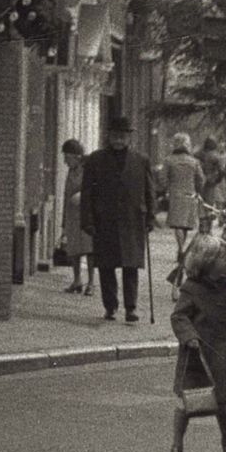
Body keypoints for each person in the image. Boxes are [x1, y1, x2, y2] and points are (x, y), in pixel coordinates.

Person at [167, 232, 226, 452]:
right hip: (197, 356)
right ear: (208, 262)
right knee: (188, 403)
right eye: (224, 257)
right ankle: (177, 446)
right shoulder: (191, 288)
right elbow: (179, 317)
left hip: (222, 354)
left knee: (221, 404)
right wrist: (189, 337)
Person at [80, 113, 156, 324]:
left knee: (131, 267)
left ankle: (131, 308)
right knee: (106, 266)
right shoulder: (95, 159)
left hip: (133, 221)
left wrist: (150, 217)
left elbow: (150, 191)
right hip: (105, 221)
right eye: (115, 135)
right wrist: (87, 221)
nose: (118, 139)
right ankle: (110, 307)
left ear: (129, 137)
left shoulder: (141, 161)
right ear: (108, 136)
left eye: (122, 135)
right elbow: (87, 193)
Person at [162, 132, 206, 260]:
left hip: (175, 195)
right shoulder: (194, 161)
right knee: (185, 224)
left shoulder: (169, 160)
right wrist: (197, 191)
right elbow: (201, 179)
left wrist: (166, 189)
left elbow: (163, 177)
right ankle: (181, 249)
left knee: (177, 224)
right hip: (190, 195)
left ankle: (180, 248)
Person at [59, 139, 95, 296]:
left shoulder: (88, 169)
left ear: (75, 156)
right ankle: (77, 280)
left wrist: (82, 195)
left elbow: (95, 189)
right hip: (72, 215)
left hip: (86, 214)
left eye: (67, 157)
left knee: (89, 249)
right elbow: (67, 195)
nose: (65, 161)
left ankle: (92, 283)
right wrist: (64, 223)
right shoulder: (71, 171)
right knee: (74, 248)